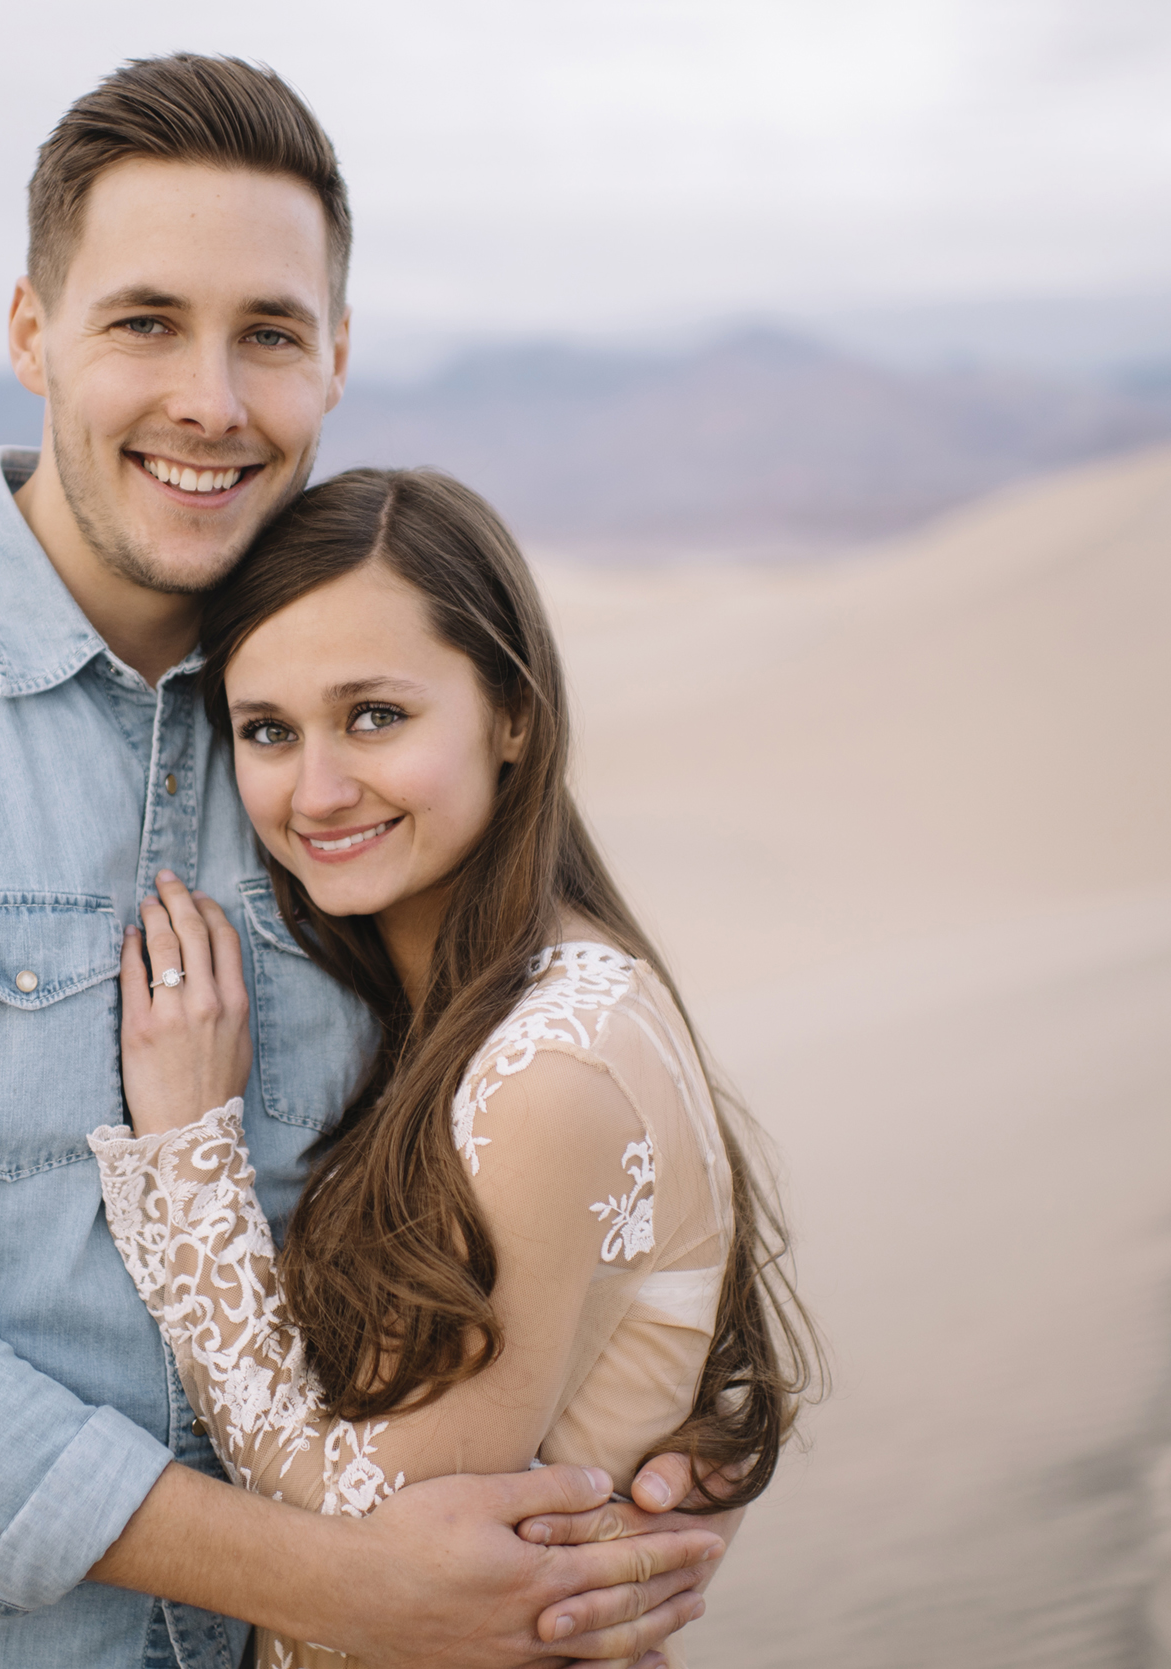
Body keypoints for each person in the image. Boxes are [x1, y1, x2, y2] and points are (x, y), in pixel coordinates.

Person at [0, 53, 736, 1669]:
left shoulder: (351, 730)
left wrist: (657, 1453)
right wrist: (333, 1577)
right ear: (32, 336)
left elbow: (573, 1068)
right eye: (146, 321)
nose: (211, 397)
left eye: (268, 333)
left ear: (336, 360)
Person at [93, 468, 813, 1669]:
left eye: (375, 714)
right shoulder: (495, 1003)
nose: (315, 791)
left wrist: (186, 1168)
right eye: (267, 729)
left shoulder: (548, 1067)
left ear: (513, 713)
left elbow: (373, 1533)